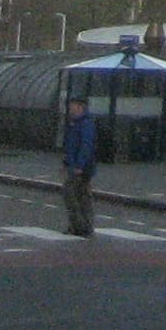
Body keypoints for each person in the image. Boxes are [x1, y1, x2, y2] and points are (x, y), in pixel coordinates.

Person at [60, 95, 99, 238]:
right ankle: (82, 226)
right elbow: (70, 145)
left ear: (80, 107)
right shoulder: (75, 123)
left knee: (73, 195)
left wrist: (79, 165)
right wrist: (66, 162)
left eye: (72, 107)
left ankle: (80, 226)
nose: (70, 110)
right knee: (80, 196)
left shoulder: (85, 123)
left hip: (81, 168)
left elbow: (85, 145)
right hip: (76, 165)